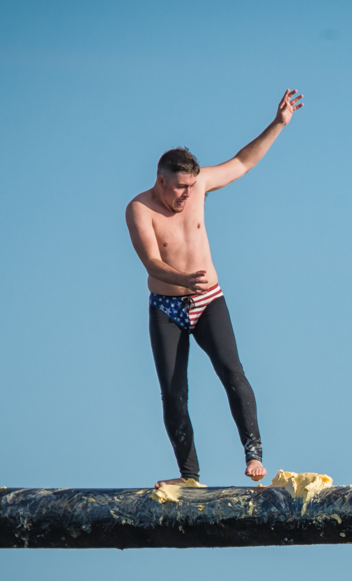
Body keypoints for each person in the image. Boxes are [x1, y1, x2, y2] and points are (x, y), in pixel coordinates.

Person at [125, 89, 304, 488]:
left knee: (231, 372)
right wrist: (181, 279)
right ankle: (189, 476)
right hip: (167, 307)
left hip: (207, 300)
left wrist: (277, 124)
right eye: (179, 188)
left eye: (192, 187)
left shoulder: (199, 185)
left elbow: (242, 162)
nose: (187, 195)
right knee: (173, 393)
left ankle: (253, 453)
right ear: (161, 180)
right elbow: (151, 262)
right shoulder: (139, 209)